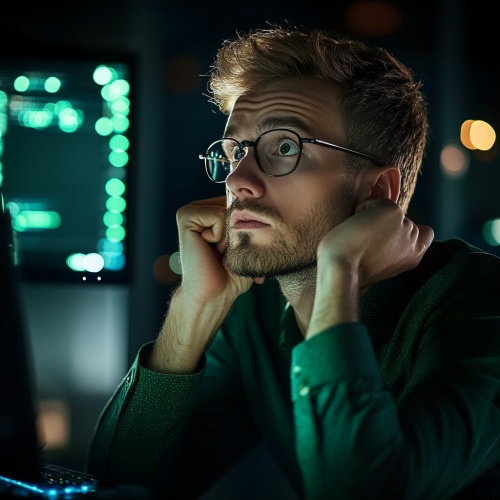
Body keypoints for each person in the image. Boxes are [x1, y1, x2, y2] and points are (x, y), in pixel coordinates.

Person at [88, 27, 500, 499]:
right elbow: (116, 486)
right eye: (235, 151)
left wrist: (339, 267)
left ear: (378, 192)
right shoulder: (257, 312)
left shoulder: (483, 306)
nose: (238, 180)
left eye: (284, 148)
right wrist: (194, 306)